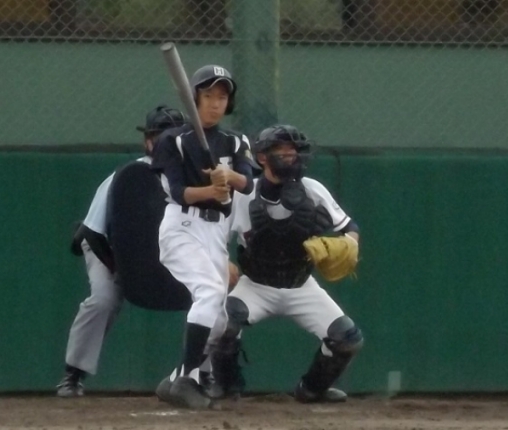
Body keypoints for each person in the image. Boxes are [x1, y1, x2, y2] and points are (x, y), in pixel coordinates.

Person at [208, 124, 364, 403]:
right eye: (282, 150)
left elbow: (349, 227)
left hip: (301, 284)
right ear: (262, 157)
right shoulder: (244, 194)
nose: (291, 156)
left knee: (347, 340)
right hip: (256, 285)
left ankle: (312, 389)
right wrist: (223, 261)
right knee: (221, 325)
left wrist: (350, 244)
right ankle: (226, 386)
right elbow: (215, 236)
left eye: (294, 151)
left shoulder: (312, 189)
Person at [56, 105, 187, 397]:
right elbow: (92, 232)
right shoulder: (130, 175)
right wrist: (122, 270)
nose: (167, 144)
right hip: (106, 248)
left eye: (174, 138)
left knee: (208, 297)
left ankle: (205, 375)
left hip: (164, 253)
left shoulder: (190, 178)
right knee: (104, 299)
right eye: (160, 137)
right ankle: (72, 375)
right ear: (148, 142)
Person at [151, 64, 255, 409]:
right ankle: (187, 377)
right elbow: (177, 192)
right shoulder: (173, 140)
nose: (215, 103)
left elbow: (247, 182)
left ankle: (176, 380)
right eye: (208, 95)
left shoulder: (235, 141)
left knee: (220, 318)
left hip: (214, 232)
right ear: (194, 98)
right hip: (182, 226)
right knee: (209, 291)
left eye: (222, 96)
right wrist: (210, 190)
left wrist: (228, 176)